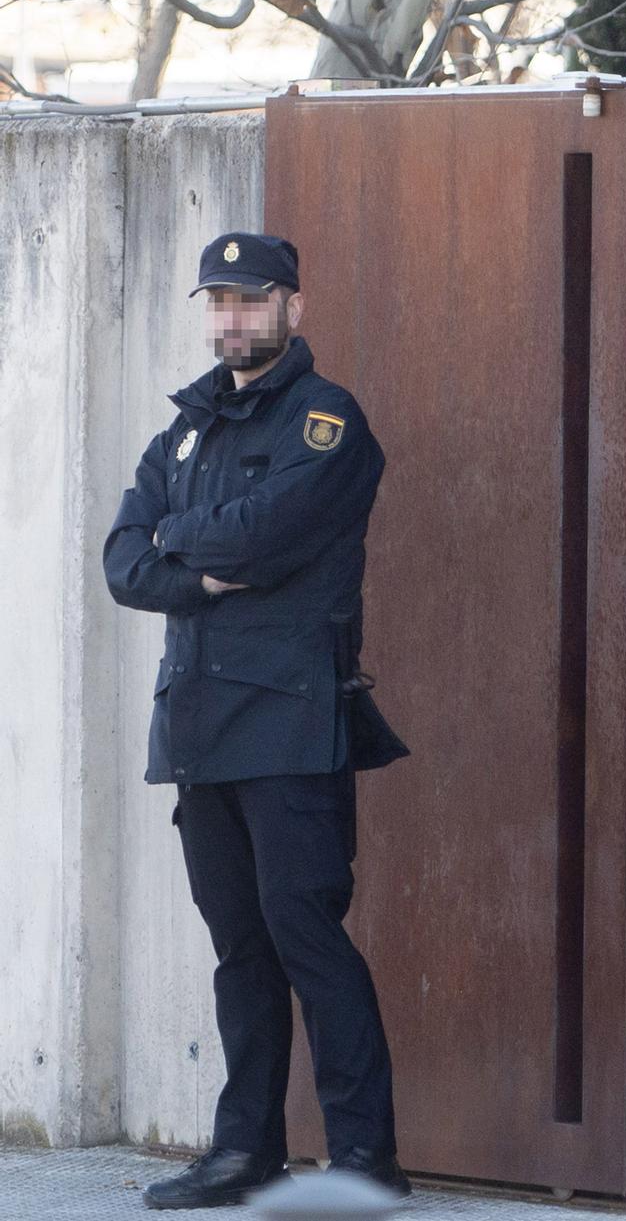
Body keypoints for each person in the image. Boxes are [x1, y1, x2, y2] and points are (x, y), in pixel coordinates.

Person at [105, 232, 408, 1208]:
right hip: (196, 723)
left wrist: (176, 546)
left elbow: (274, 532)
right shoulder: (184, 431)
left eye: (252, 299)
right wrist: (197, 567)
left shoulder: (328, 421)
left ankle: (365, 1161)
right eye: (219, 301)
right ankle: (246, 1152)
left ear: (292, 307)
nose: (232, 318)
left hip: (289, 719)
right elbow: (121, 561)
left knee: (304, 933)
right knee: (238, 946)